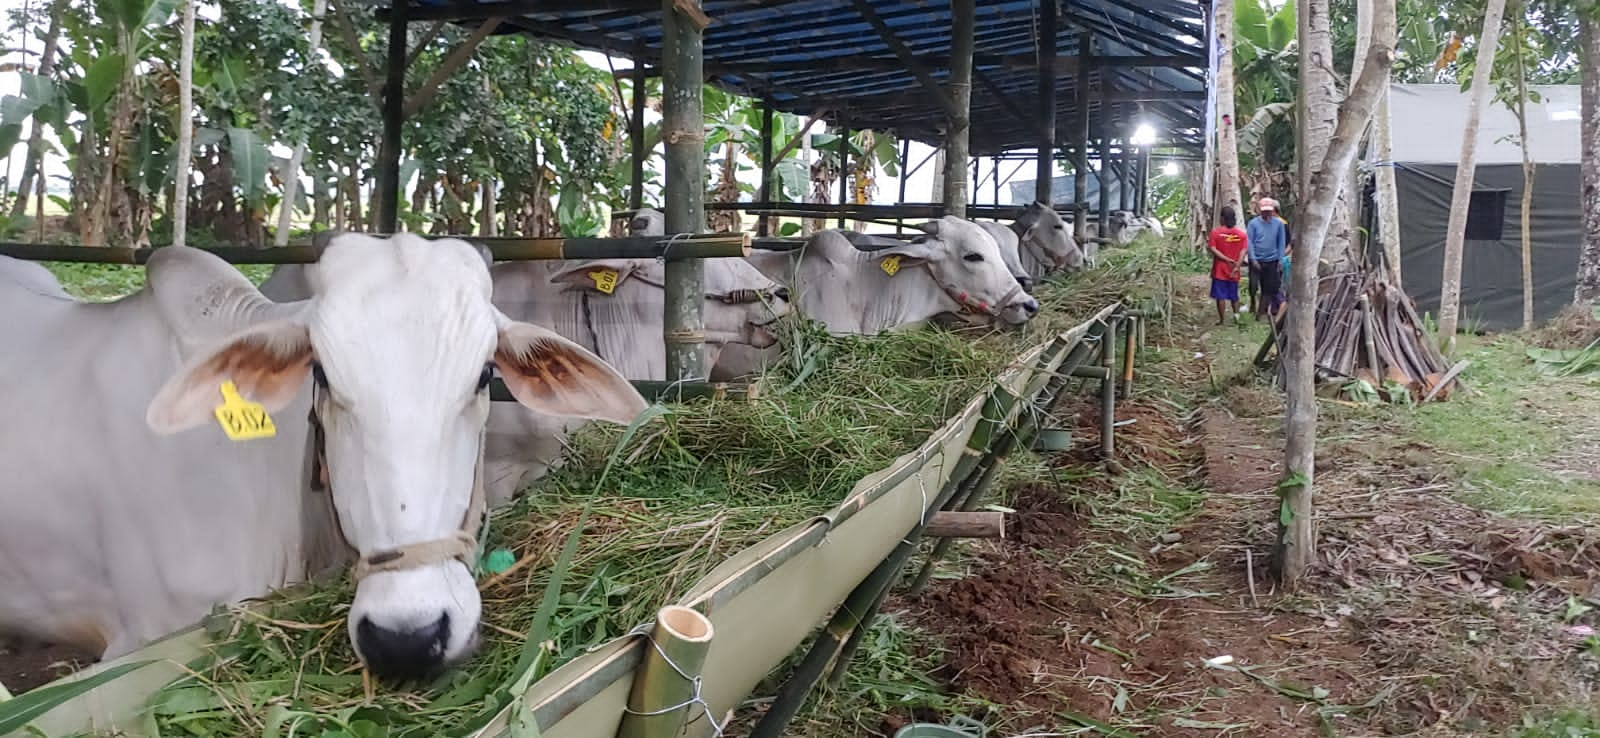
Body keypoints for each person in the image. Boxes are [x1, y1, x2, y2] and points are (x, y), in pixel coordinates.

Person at [1246, 197, 1289, 319]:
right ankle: (1253, 301)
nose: (1266, 213)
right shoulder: (1253, 224)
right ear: (1260, 210)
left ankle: (1261, 312)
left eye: (1269, 211)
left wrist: (1280, 259)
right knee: (1253, 285)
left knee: (1268, 287)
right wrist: (1253, 259)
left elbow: (1281, 242)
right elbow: (1249, 242)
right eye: (1264, 211)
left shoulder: (1279, 224)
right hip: (1256, 259)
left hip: (1272, 260)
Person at [1206, 205, 1248, 325]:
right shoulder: (1241, 235)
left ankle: (1222, 320)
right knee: (1234, 295)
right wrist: (1237, 266)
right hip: (1233, 270)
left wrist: (1225, 259)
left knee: (1220, 296)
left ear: (1222, 218)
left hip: (1219, 269)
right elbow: (1243, 251)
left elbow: (1213, 249)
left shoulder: (1216, 233)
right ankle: (1236, 318)